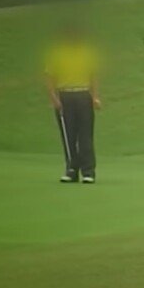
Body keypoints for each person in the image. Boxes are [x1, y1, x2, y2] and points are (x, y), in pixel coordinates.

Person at [44, 23, 102, 183]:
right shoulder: (56, 54)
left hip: (83, 94)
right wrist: (54, 98)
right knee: (68, 135)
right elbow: (50, 78)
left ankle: (88, 172)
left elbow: (93, 76)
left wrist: (95, 97)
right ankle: (71, 170)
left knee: (85, 136)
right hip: (64, 96)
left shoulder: (88, 53)